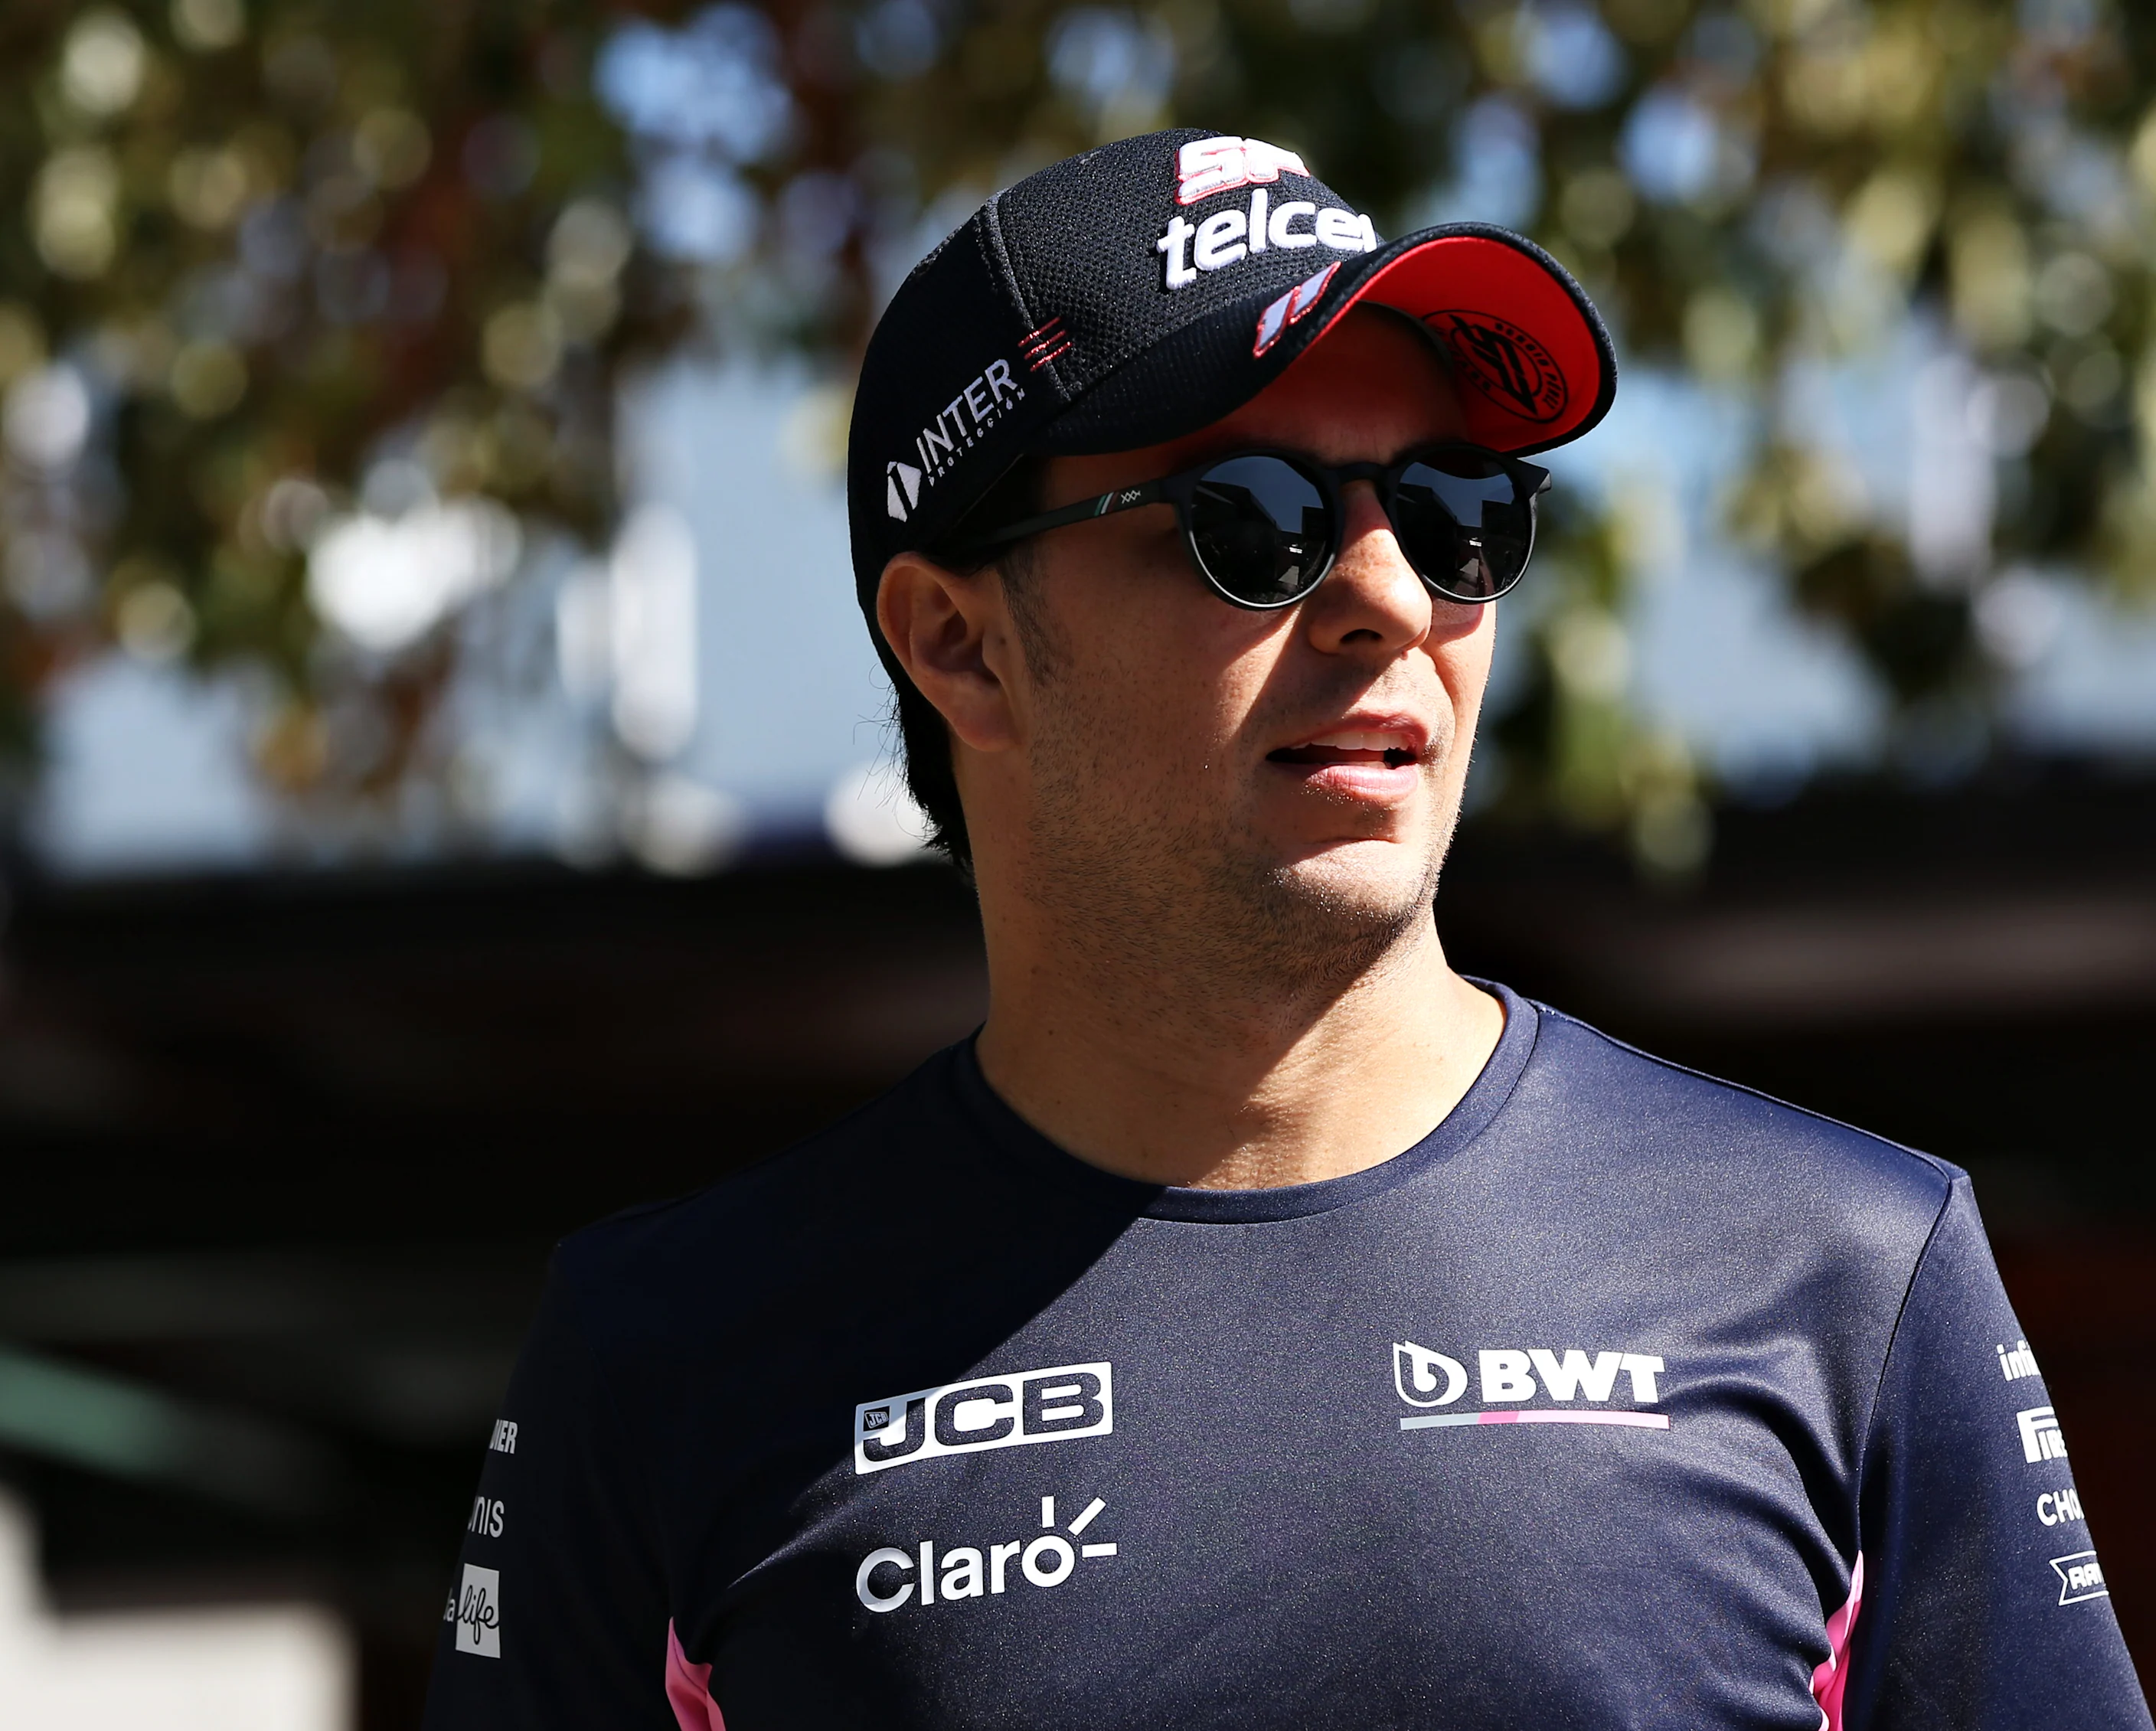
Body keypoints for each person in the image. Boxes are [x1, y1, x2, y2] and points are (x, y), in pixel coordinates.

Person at [423, 129, 2148, 1729]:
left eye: (1463, 512)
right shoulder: (665, 1354)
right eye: (1248, 520)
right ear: (958, 644)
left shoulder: (1848, 1267)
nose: (1394, 596)